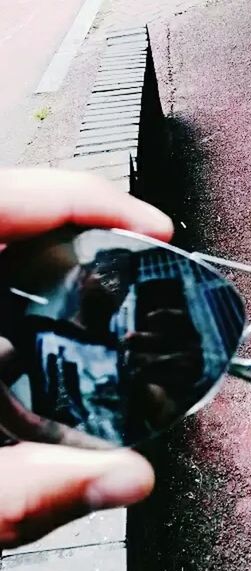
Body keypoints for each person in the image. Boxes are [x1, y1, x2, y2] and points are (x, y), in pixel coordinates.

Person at [0, 167, 173, 548]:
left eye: (118, 284)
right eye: (103, 275)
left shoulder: (124, 353)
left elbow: (143, 413)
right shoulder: (31, 337)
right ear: (80, 280)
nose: (109, 286)